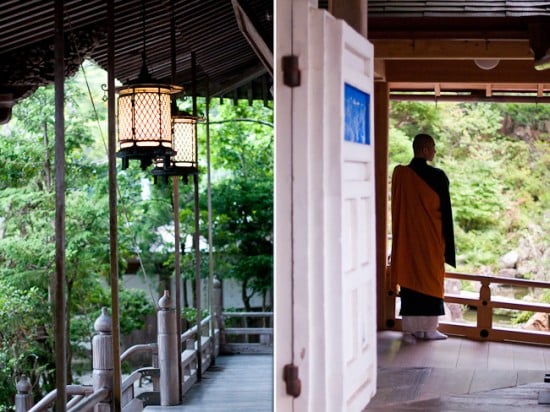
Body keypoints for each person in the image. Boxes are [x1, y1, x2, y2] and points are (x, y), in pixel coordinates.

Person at [390, 133, 456, 342]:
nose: (435, 151)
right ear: (425, 150)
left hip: (409, 239)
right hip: (431, 239)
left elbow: (397, 208)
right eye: (433, 147)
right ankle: (427, 329)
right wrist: (448, 242)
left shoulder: (401, 174)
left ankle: (411, 331)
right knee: (431, 279)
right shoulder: (437, 176)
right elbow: (445, 212)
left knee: (411, 280)